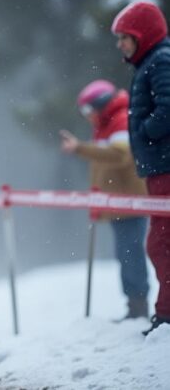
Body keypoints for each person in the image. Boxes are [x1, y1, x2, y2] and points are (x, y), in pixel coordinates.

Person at [59, 80, 149, 319]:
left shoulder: (119, 120)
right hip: (120, 203)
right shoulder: (107, 123)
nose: (87, 116)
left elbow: (120, 156)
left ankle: (138, 306)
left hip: (128, 203)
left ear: (100, 104)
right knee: (126, 254)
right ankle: (135, 305)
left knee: (130, 255)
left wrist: (80, 148)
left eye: (88, 109)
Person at [113, 1, 170, 335]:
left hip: (165, 168)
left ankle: (166, 316)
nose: (120, 44)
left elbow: (167, 108)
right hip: (158, 168)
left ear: (142, 34)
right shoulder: (152, 62)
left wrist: (147, 132)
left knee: (161, 243)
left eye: (125, 37)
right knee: (161, 243)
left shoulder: (160, 60)